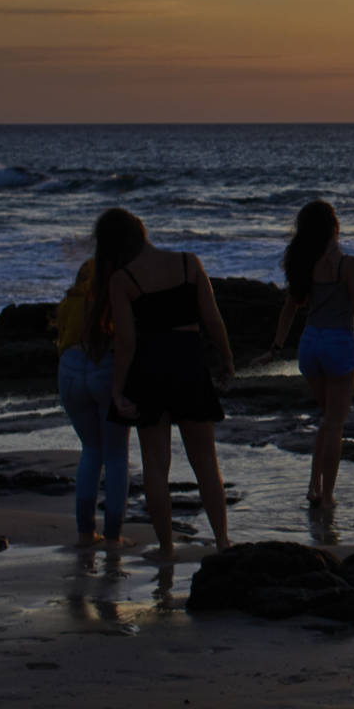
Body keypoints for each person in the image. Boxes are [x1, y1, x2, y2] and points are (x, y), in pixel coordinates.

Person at [99, 208, 234, 559]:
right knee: (206, 461)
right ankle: (222, 541)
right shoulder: (189, 263)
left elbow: (125, 343)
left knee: (155, 466)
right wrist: (226, 358)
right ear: (142, 230)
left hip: (149, 365)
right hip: (188, 361)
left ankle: (166, 548)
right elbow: (213, 320)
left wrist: (117, 389)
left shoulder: (123, 279)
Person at [256, 200, 354, 508]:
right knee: (335, 423)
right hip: (339, 343)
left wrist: (274, 348)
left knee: (327, 420)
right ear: (334, 227)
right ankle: (326, 496)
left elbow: (290, 308)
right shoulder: (349, 265)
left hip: (310, 345)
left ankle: (314, 486)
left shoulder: (305, 264)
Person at [54, 255, 128, 548]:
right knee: (116, 456)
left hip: (70, 368)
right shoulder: (115, 301)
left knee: (90, 451)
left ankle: (85, 531)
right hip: (105, 367)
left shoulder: (69, 304)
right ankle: (113, 535)